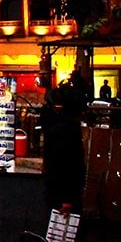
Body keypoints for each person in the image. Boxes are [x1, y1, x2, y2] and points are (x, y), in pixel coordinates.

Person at [42, 85, 86, 215]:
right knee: (65, 231)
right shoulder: (68, 130)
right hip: (65, 197)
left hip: (57, 193)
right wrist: (68, 199)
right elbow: (69, 165)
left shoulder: (55, 127)